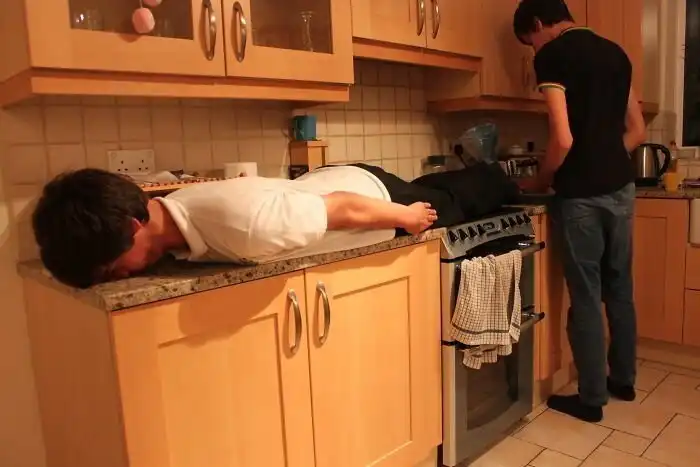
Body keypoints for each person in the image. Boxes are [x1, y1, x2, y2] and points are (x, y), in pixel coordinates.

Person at [32, 162, 517, 288]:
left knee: (458, 200)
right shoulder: (165, 211)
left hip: (374, 200)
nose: (116, 276)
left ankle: (501, 174)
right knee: (438, 188)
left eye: (111, 268)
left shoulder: (247, 228)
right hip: (330, 185)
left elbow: (341, 209)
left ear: (133, 224)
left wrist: (407, 217)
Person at [513, 0, 647, 422]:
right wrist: (607, 158)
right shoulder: (616, 54)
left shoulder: (553, 56)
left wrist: (541, 180)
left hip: (581, 197)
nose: (533, 51)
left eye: (530, 42)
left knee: (586, 295)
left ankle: (591, 399)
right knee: (619, 288)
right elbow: (637, 130)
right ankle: (622, 380)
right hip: (621, 189)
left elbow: (563, 139)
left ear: (538, 24)